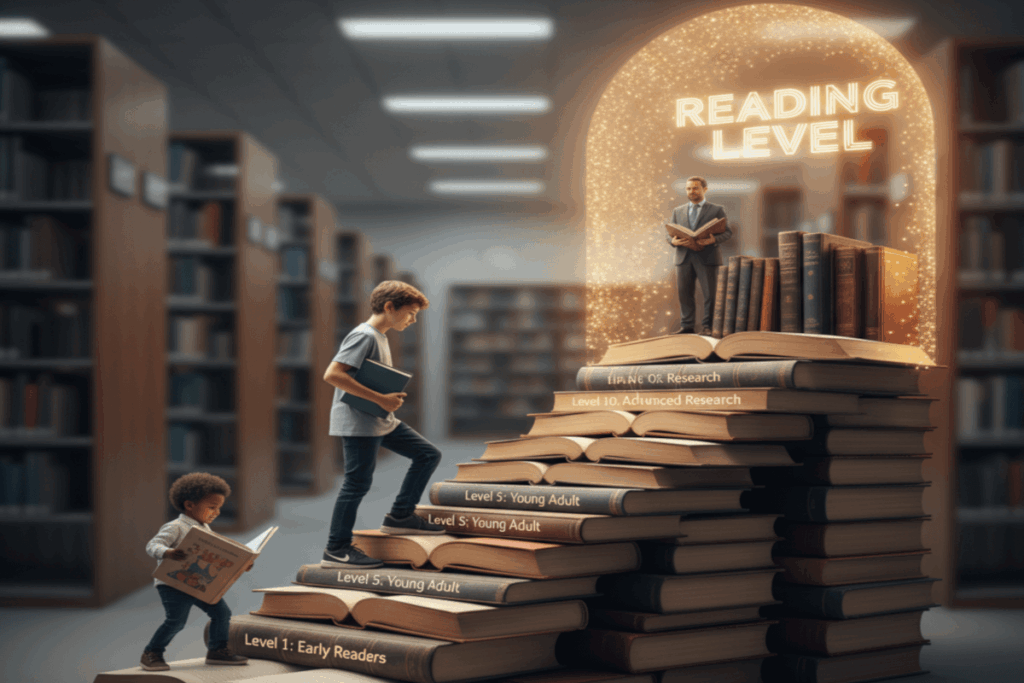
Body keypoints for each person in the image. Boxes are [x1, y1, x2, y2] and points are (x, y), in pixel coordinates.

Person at [320, 280, 443, 569]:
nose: (413, 320)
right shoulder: (365, 336)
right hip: (359, 421)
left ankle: (400, 516)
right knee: (356, 484)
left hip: (378, 419)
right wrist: (381, 398)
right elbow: (333, 374)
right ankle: (336, 549)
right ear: (389, 307)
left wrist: (384, 402)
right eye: (411, 313)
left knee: (427, 454)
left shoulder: (380, 336)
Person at [141, 472, 250, 672]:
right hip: (174, 584)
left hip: (200, 583)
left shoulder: (205, 528)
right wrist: (168, 552)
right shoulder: (176, 527)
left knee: (222, 613)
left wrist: (241, 563)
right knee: (176, 621)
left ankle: (217, 650)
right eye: (212, 507)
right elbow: (152, 545)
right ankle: (152, 652)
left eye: (219, 508)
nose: (216, 512)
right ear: (189, 505)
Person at [667, 176, 733, 335]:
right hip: (683, 258)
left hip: (707, 257)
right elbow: (670, 233)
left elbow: (728, 232)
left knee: (710, 294)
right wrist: (673, 242)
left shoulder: (716, 210)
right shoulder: (678, 211)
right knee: (685, 293)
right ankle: (687, 326)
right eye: (689, 188)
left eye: (695, 188)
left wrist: (713, 240)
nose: (692, 191)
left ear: (705, 189)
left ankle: (708, 326)